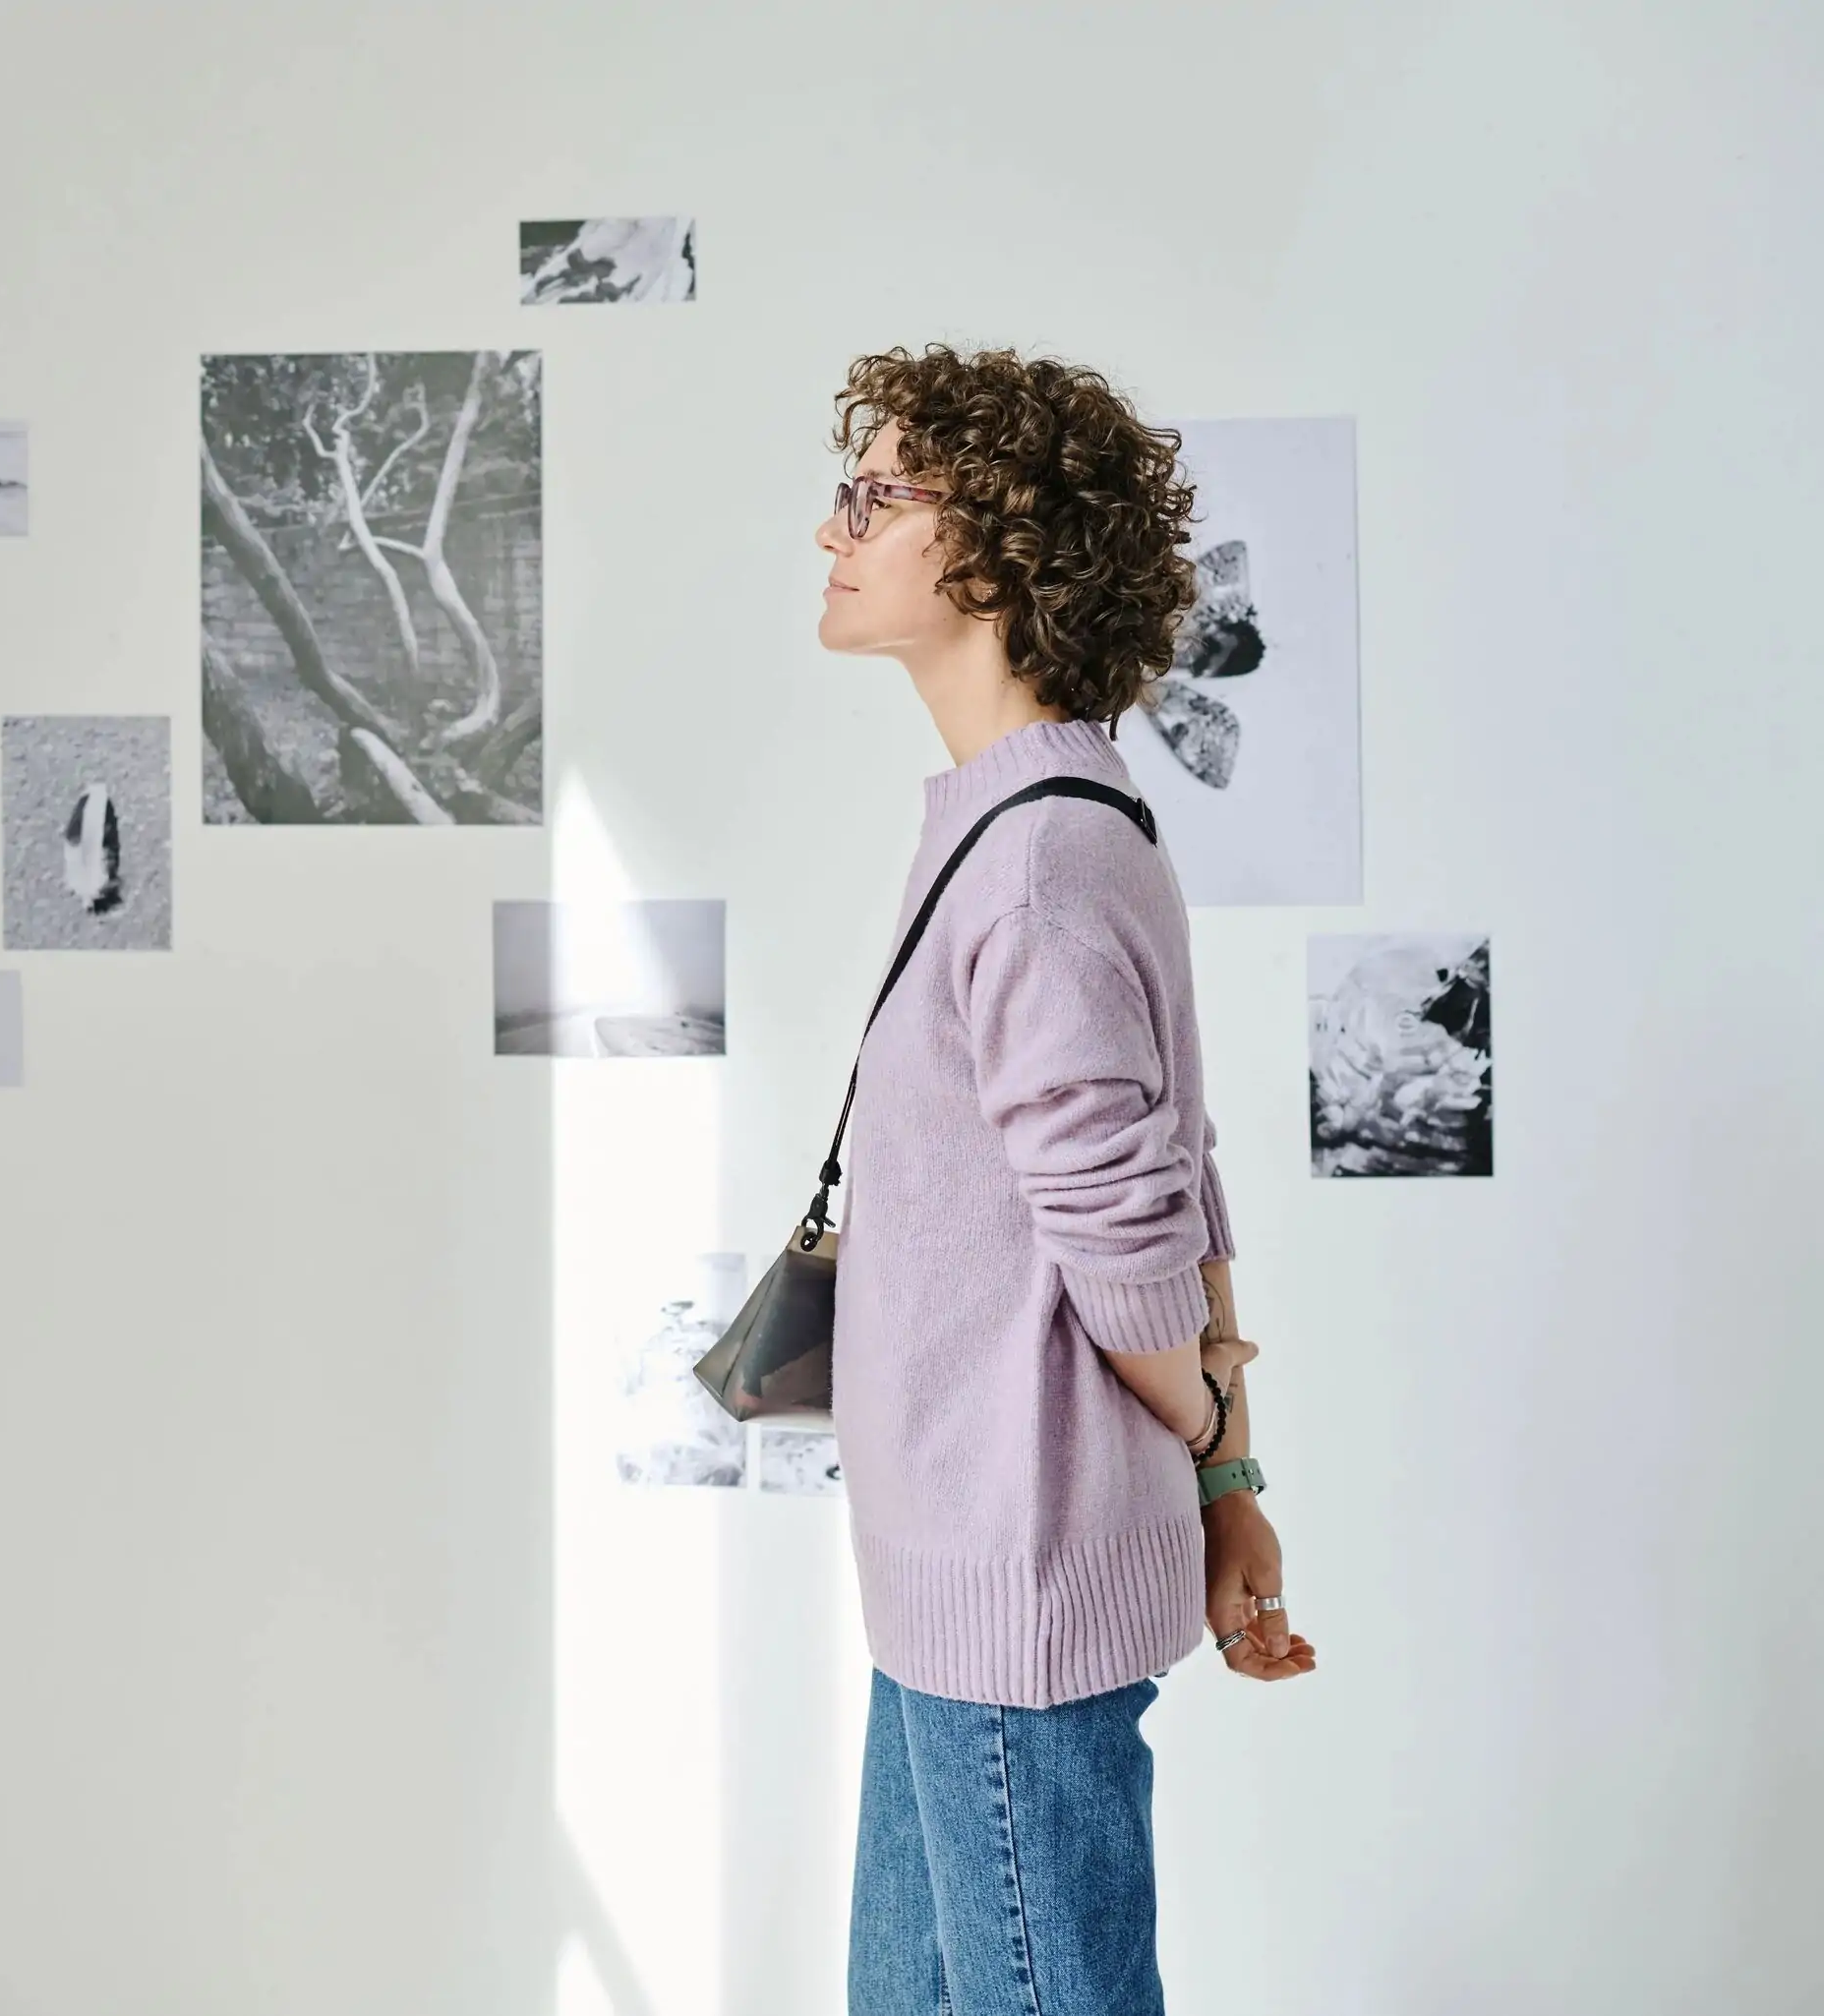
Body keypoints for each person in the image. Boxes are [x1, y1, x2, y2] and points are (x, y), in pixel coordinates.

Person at [812, 346, 1318, 2016]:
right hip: (956, 1581)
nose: (835, 525)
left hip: (1009, 1587)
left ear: (997, 551)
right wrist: (1226, 1481)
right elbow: (1184, 1174)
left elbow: (1133, 1227)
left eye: (881, 493)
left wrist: (1203, 1449)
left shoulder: (1037, 853)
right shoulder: (1028, 821)